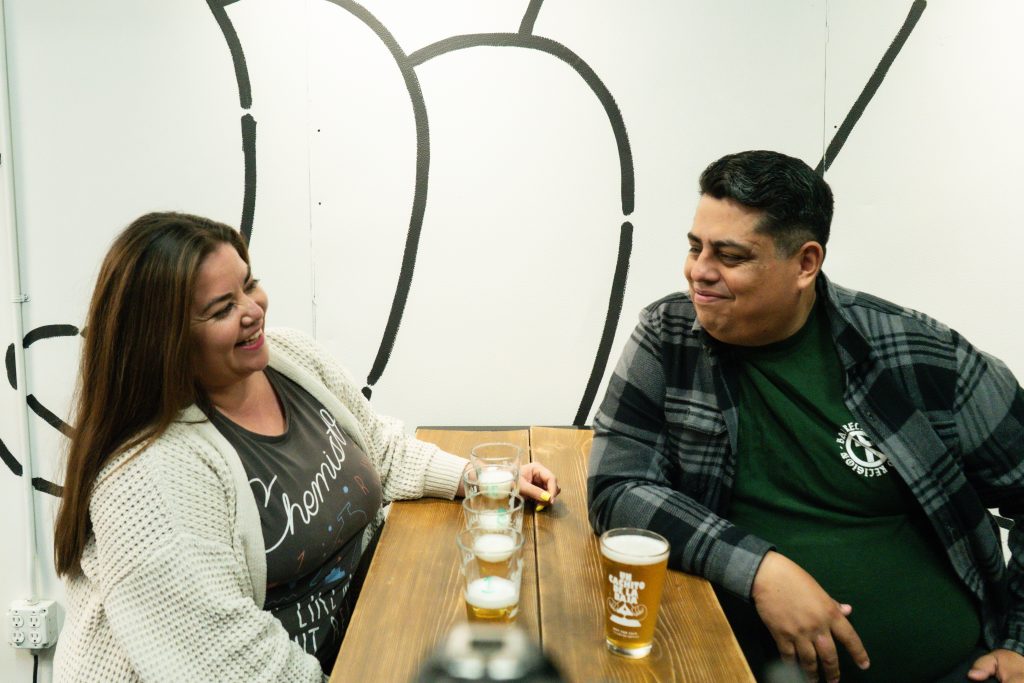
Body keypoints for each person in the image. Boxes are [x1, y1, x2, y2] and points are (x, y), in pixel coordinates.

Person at [52, 212, 559, 682]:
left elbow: (379, 450)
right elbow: (229, 666)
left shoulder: (288, 358)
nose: (254, 310)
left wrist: (484, 480)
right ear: (163, 341)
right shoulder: (147, 480)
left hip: (349, 644)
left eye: (249, 284)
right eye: (223, 308)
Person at [587, 151, 1024, 683]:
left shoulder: (920, 354)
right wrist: (759, 570)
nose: (699, 271)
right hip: (730, 667)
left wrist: (1020, 643)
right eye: (695, 246)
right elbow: (618, 489)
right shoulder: (669, 336)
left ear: (805, 264)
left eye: (730, 255)